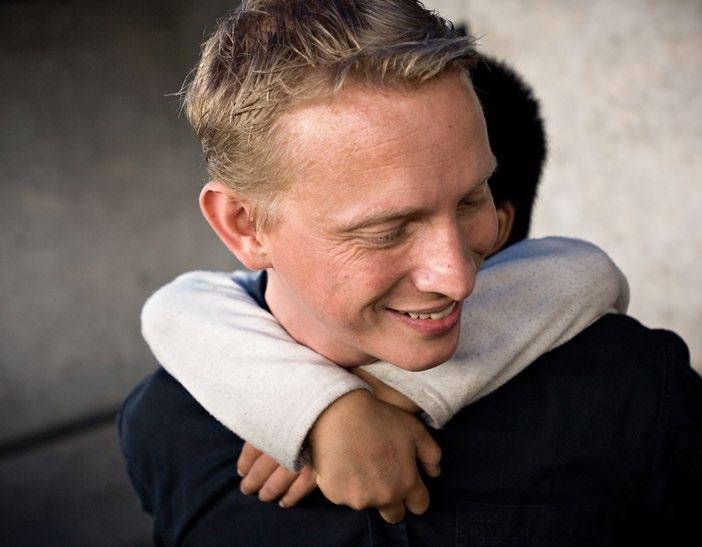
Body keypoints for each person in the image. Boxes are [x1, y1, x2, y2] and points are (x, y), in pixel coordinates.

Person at [119, 1, 702, 545]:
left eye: (472, 199)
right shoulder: (168, 428)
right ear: (245, 226)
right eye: (386, 230)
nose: (458, 278)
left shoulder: (629, 388)